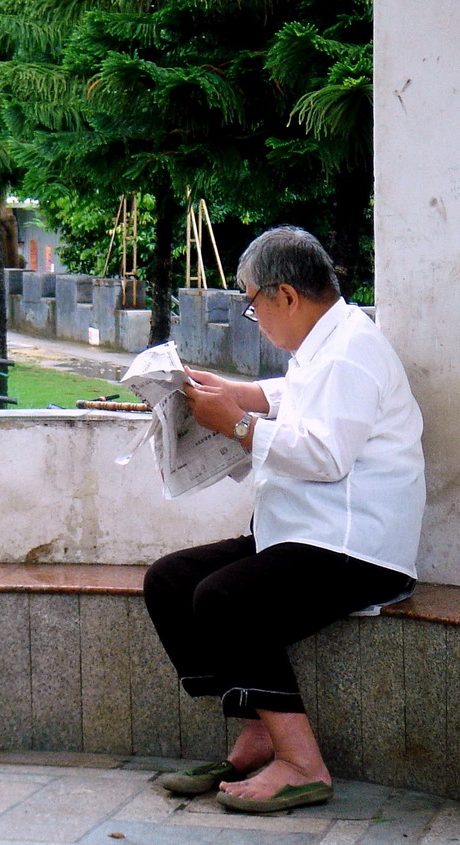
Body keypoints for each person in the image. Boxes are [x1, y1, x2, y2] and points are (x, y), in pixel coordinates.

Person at [143, 225, 425, 814]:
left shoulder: (352, 350)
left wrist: (237, 425)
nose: (254, 315)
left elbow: (325, 454)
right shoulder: (326, 344)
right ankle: (261, 730)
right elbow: (302, 396)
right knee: (169, 581)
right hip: (300, 536)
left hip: (356, 550)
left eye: (250, 302)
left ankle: (302, 764)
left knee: (225, 598)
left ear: (286, 296)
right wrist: (241, 395)